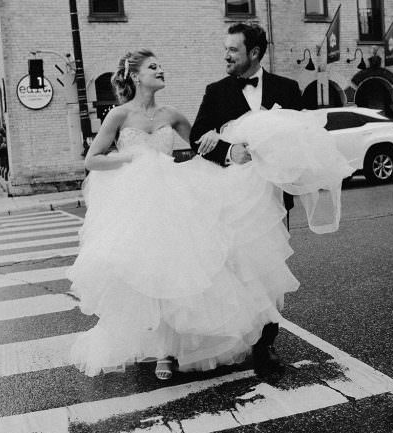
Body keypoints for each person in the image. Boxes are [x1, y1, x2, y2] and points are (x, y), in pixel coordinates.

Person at [67, 49, 303, 381]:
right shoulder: (118, 115)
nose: (161, 69)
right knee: (149, 271)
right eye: (153, 67)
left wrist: (216, 140)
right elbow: (93, 160)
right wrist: (133, 160)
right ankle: (161, 351)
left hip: (172, 195)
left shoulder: (172, 114)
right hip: (136, 200)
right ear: (135, 76)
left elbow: (200, 146)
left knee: (176, 269)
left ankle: (169, 350)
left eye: (160, 64)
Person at [189, 23, 304, 377]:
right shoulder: (216, 91)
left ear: (254, 53)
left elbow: (302, 138)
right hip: (234, 200)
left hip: (272, 200)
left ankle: (265, 345)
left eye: (233, 50)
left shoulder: (289, 88)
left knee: (269, 271)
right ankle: (238, 336)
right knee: (240, 271)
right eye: (226, 49)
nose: (226, 55)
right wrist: (229, 149)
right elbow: (197, 137)